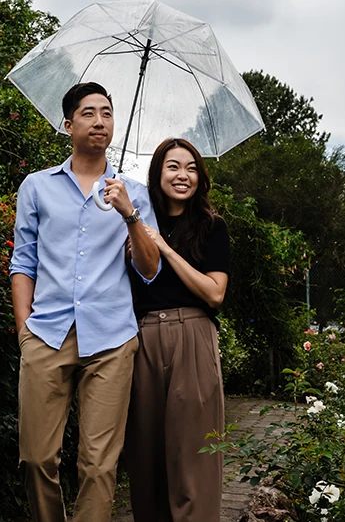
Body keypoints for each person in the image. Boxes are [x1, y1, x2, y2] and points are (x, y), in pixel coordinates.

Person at [10, 82, 161, 522]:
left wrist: (129, 214)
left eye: (108, 113)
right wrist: (25, 331)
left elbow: (149, 269)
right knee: (36, 458)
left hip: (112, 339)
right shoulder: (37, 187)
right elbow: (23, 262)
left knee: (99, 465)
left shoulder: (132, 193)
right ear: (68, 123)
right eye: (90, 113)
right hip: (47, 335)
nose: (100, 121)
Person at [124, 137, 230, 522]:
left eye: (191, 168)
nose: (182, 175)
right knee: (145, 455)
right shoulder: (135, 219)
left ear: (200, 178)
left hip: (193, 335)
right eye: (173, 166)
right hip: (142, 338)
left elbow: (215, 293)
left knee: (194, 455)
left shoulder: (211, 227)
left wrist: (168, 251)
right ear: (157, 173)